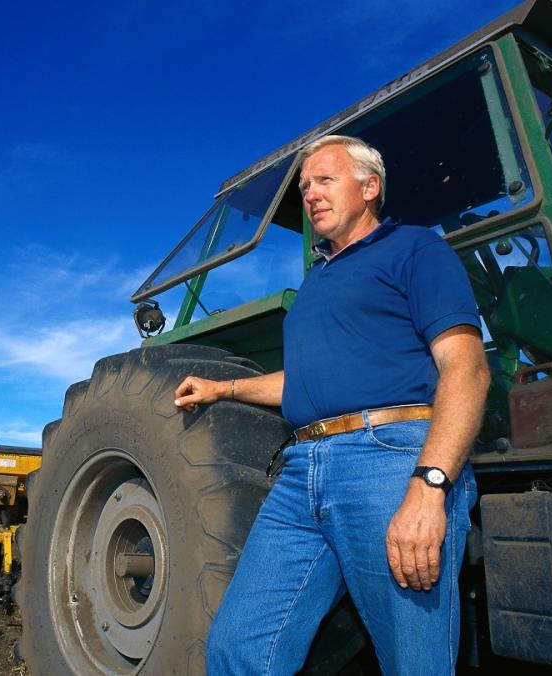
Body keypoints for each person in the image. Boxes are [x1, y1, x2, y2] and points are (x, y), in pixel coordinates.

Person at [174, 135, 491, 675]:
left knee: (415, 662)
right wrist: (222, 389)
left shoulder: (414, 249)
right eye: (304, 187)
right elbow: (302, 383)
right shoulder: (315, 283)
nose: (310, 195)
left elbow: (467, 368)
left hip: (389, 461)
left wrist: (429, 486)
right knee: (237, 648)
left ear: (370, 188)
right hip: (302, 473)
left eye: (324, 180)